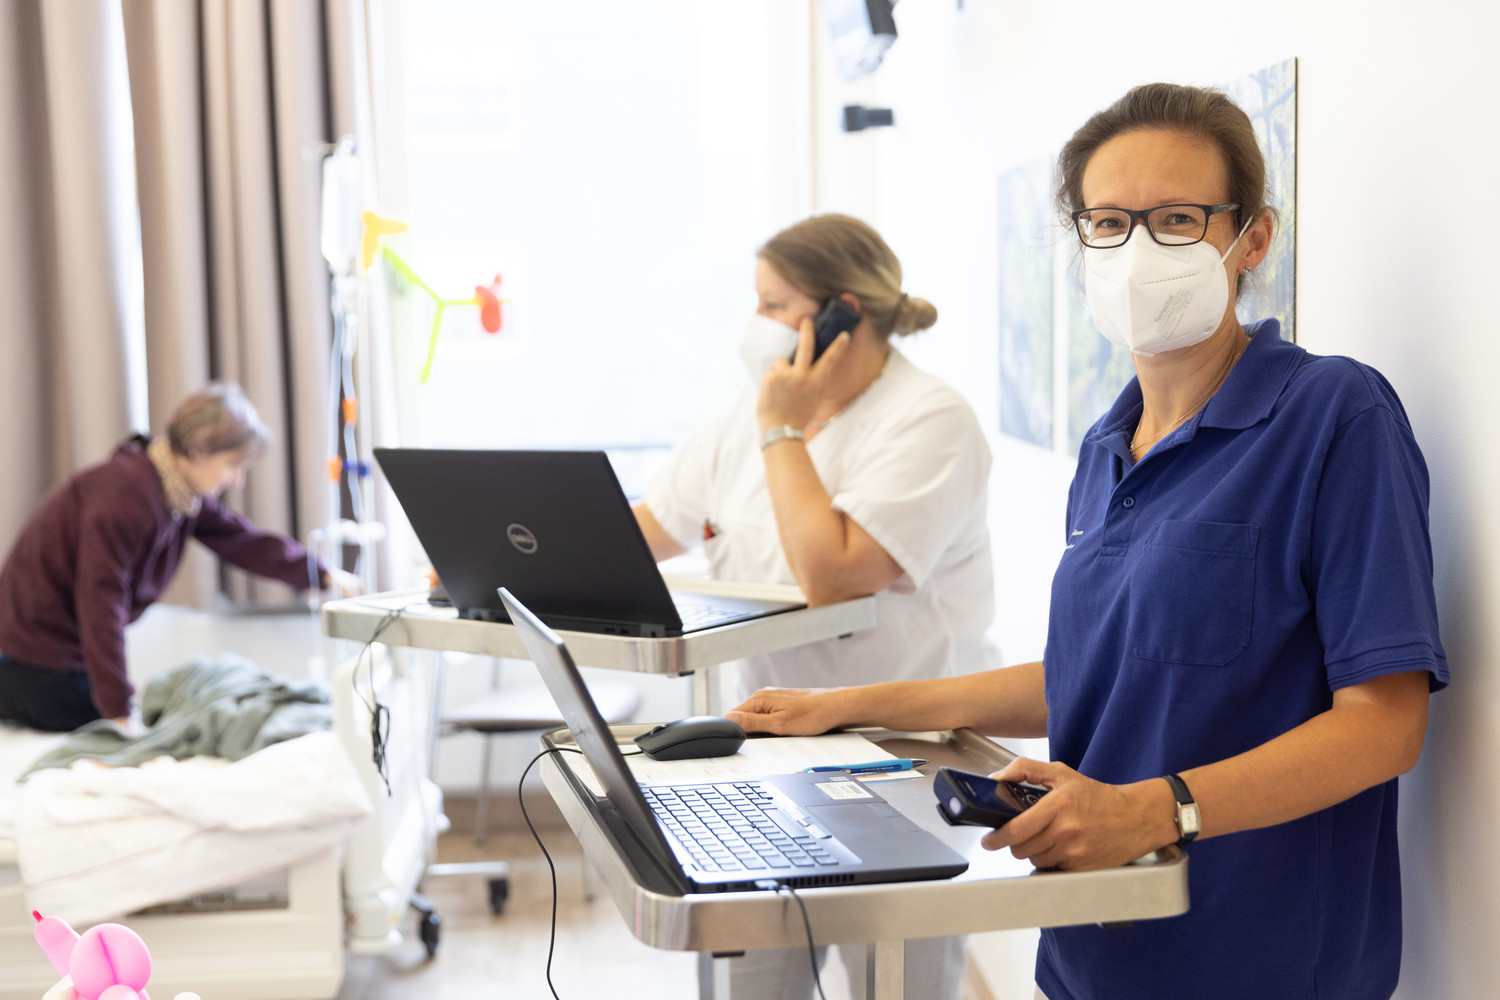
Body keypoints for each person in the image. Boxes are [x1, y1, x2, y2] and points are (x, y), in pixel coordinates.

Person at [727, 83, 1447, 1000]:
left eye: (1178, 219)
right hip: (1093, 948)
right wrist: (855, 704)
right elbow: (1095, 672)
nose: (1138, 249)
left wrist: (1156, 809)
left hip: (1259, 960)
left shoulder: (1333, 417)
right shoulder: (1110, 446)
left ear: (1251, 239)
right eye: (1109, 222)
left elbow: (1385, 725)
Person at [634, 213, 995, 999]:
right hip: (769, 748)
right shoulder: (748, 413)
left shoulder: (929, 420)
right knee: (758, 976)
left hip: (900, 759)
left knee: (890, 979)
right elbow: (647, 531)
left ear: (842, 315)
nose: (755, 327)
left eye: (773, 305)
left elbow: (833, 573)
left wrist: (782, 429)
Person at [0, 382, 360, 734]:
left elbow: (244, 541)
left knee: (176, 708)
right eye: (234, 465)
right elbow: (101, 601)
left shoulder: (175, 489)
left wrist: (322, 575)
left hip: (58, 660)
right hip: (33, 665)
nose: (238, 481)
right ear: (200, 450)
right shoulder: (126, 496)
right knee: (171, 722)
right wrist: (118, 712)